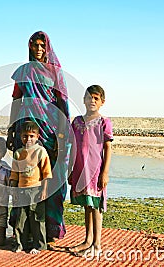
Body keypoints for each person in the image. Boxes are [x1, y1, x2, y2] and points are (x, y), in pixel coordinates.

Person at [6, 31, 71, 246]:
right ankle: (25, 229)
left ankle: (49, 227)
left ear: (48, 47)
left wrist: (61, 136)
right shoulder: (23, 72)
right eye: (35, 45)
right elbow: (16, 100)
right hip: (27, 129)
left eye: (42, 45)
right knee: (25, 178)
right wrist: (10, 130)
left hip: (51, 131)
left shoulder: (55, 72)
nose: (39, 49)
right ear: (30, 47)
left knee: (49, 179)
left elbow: (62, 104)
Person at [68, 85, 113, 257]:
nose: (92, 101)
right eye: (89, 97)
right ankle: (87, 240)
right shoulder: (77, 122)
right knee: (87, 205)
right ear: (84, 100)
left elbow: (107, 148)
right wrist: (71, 169)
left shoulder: (104, 122)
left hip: (95, 170)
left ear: (102, 102)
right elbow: (73, 148)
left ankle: (97, 245)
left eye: (96, 98)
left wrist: (105, 172)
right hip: (80, 170)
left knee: (96, 207)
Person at [10, 121, 52, 254]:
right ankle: (20, 244)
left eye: (31, 136)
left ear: (37, 136)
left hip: (37, 189)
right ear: (20, 137)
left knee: (37, 218)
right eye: (25, 136)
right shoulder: (18, 153)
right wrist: (14, 191)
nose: (28, 139)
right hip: (22, 190)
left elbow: (46, 174)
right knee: (21, 218)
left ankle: (39, 245)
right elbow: (14, 175)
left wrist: (44, 190)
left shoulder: (41, 152)